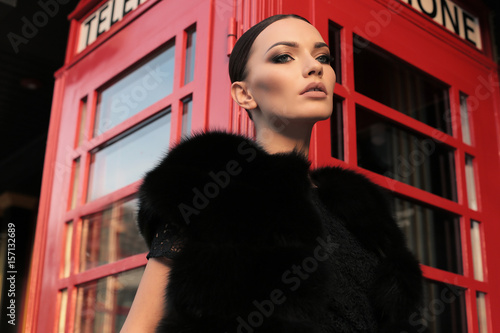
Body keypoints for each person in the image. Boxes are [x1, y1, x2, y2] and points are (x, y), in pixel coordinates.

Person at [121, 14, 424, 333]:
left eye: (322, 57)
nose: (314, 67)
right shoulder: (213, 188)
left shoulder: (362, 214)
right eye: (284, 56)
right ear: (244, 94)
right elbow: (140, 325)